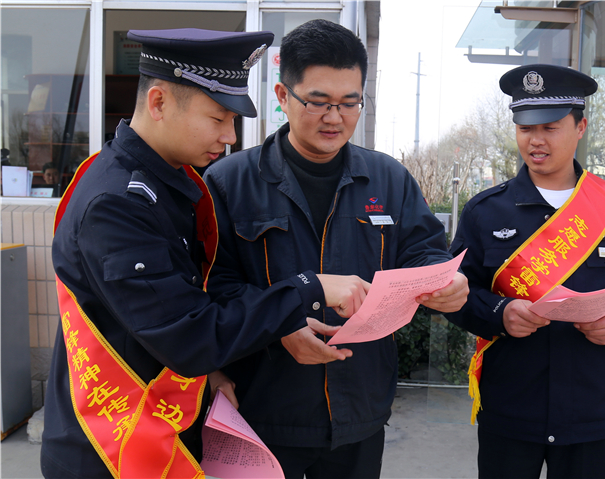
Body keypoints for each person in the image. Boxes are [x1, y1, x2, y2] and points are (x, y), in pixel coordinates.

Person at [41, 28, 370, 479]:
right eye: (217, 118)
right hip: (108, 451)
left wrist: (215, 374)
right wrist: (307, 290)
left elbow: (187, 303)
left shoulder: (166, 183)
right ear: (157, 103)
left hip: (158, 432)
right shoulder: (117, 203)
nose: (231, 136)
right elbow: (189, 335)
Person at [203, 19, 470, 479]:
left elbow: (423, 251)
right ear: (284, 97)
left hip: (360, 409)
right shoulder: (230, 183)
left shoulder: (389, 179)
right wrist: (279, 324)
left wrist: (447, 281)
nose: (335, 117)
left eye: (350, 103)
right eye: (318, 102)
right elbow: (211, 286)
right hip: (263, 407)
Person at [445, 64, 605, 479]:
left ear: (580, 126)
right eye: (526, 128)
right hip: (511, 409)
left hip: (588, 411)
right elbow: (455, 293)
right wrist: (499, 314)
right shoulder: (485, 211)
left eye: (550, 127)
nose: (536, 140)